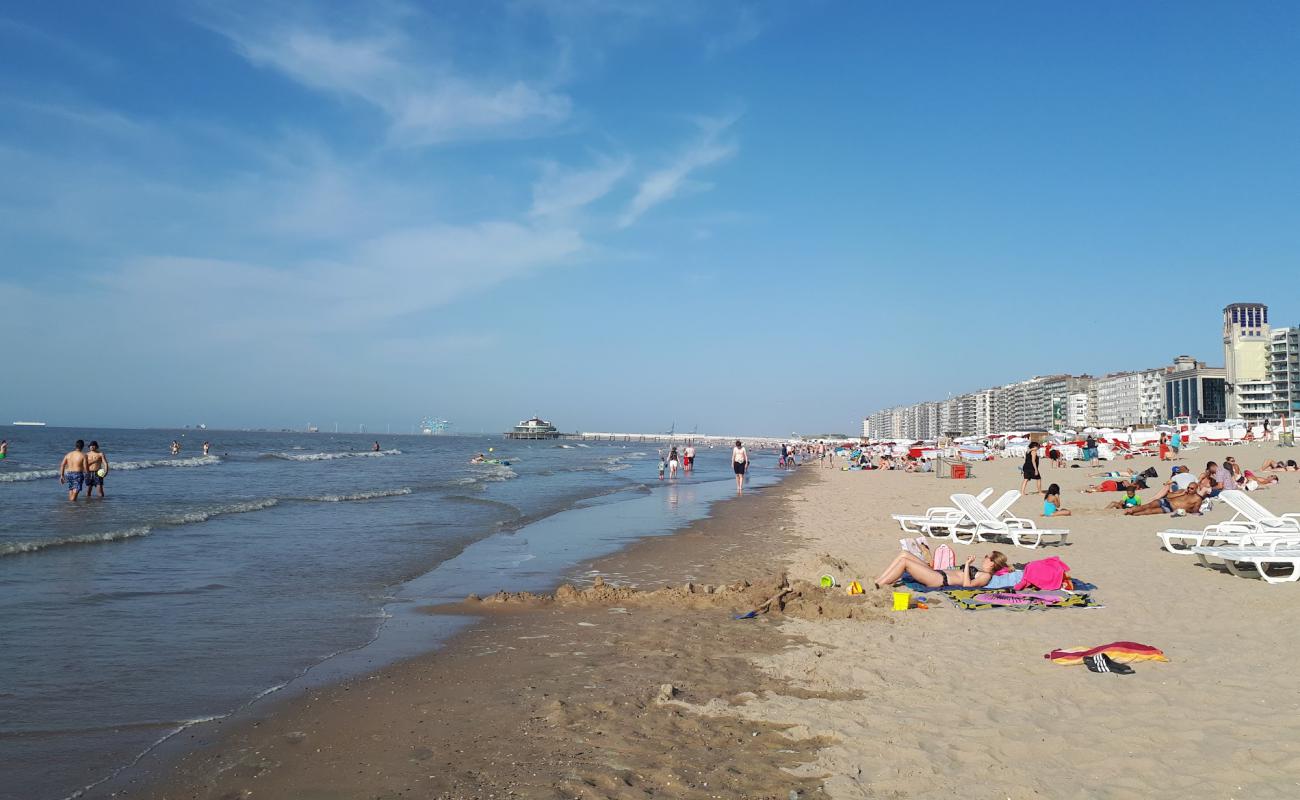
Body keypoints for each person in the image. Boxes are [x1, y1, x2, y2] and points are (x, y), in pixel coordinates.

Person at [872, 551, 1012, 590]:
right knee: (904, 553)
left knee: (904, 562)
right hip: (938, 572)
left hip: (939, 580)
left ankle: (879, 585)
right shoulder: (982, 571)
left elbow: (967, 585)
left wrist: (968, 564)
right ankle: (879, 580)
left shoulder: (986, 576)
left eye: (988, 557)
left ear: (992, 563)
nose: (985, 557)